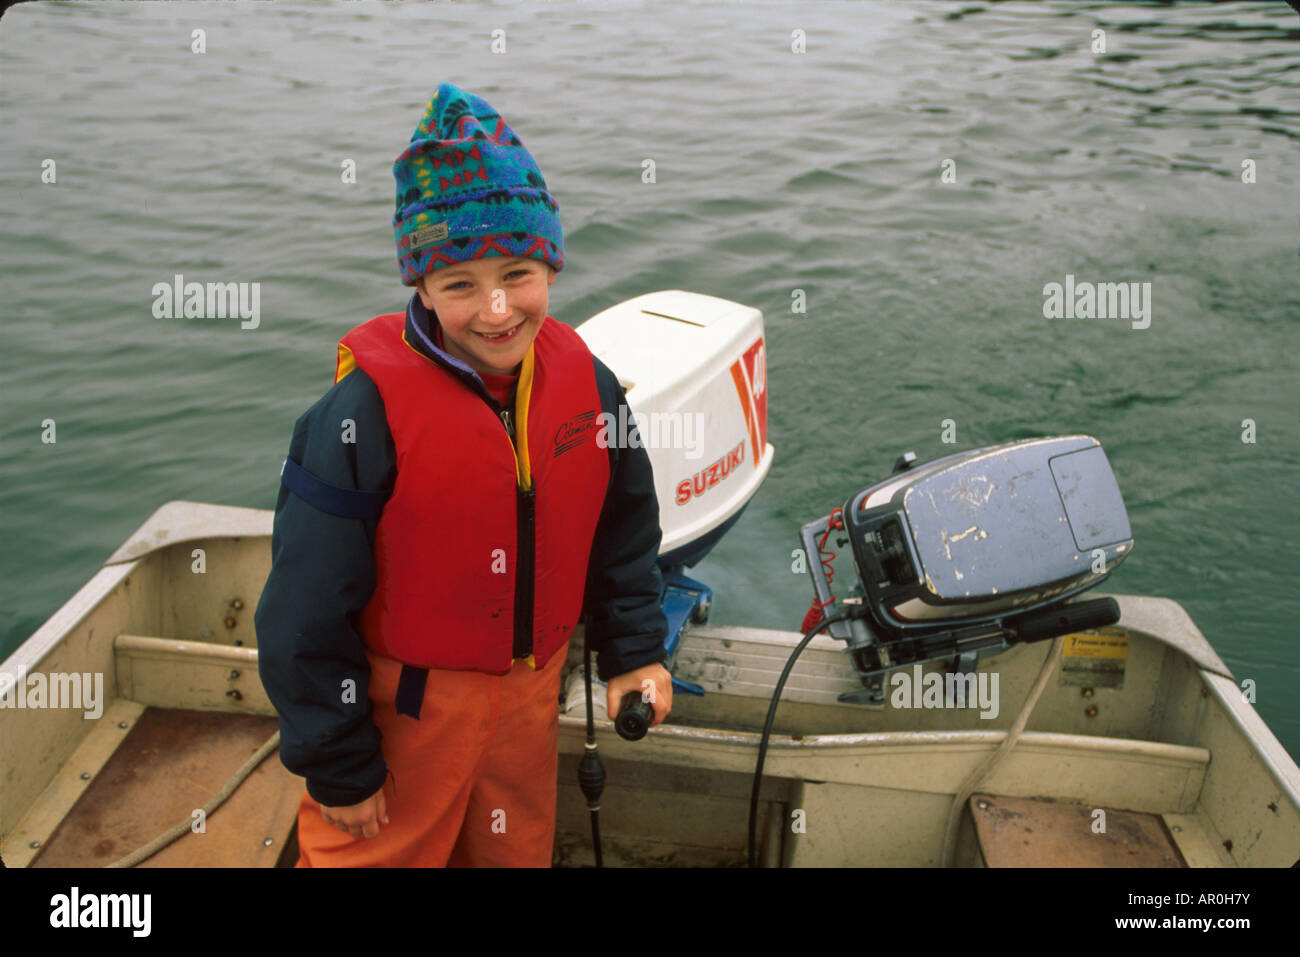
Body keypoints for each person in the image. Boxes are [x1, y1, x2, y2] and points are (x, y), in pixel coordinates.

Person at [254, 81, 672, 867]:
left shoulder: (591, 383)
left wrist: (635, 650)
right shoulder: (358, 416)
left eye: (518, 272)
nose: (496, 309)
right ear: (420, 285)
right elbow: (301, 609)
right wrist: (339, 764)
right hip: (403, 712)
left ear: (550, 262)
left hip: (530, 700)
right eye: (459, 284)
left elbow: (624, 532)